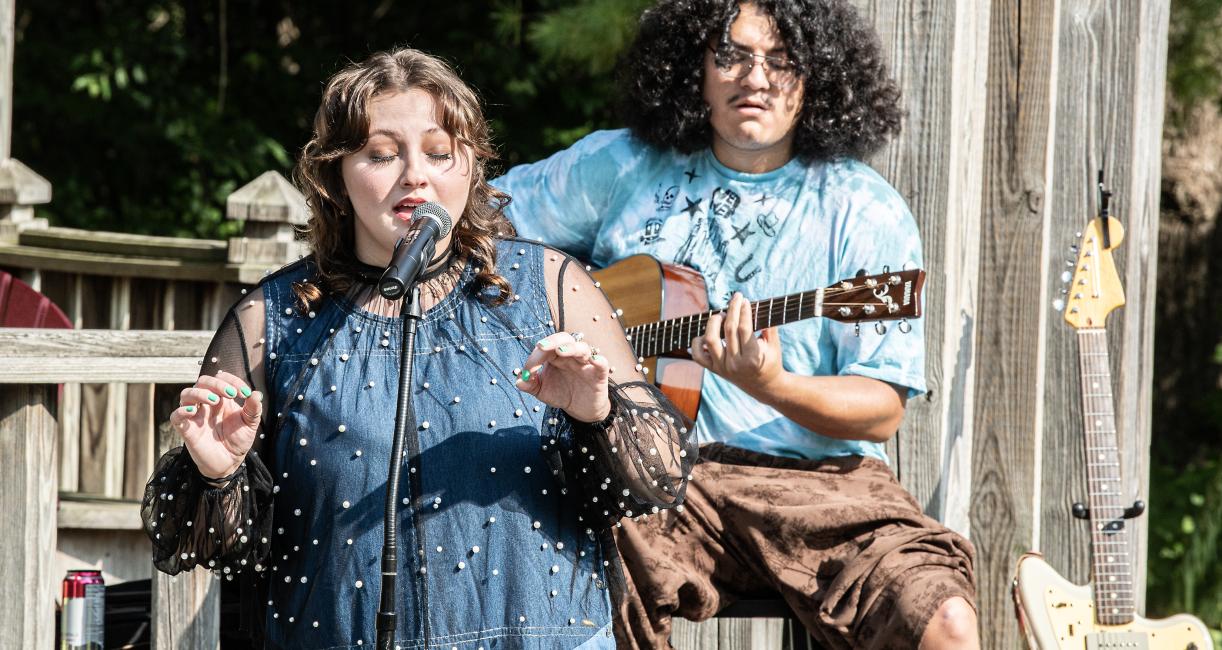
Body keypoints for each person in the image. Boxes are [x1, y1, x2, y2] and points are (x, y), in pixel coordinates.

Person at [140, 47, 696, 650]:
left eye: (438, 153)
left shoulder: (554, 286)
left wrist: (598, 416)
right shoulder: (269, 319)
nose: (414, 174)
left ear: (471, 168)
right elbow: (228, 552)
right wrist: (220, 476)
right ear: (336, 175)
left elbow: (653, 484)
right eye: (382, 155)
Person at [490, 1, 979, 648]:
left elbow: (880, 409)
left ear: (817, 76)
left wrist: (772, 384)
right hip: (649, 472)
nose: (756, 77)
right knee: (564, 570)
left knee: (940, 617)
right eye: (732, 55)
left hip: (821, 483)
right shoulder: (623, 165)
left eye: (781, 60)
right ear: (694, 68)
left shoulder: (863, 209)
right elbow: (478, 227)